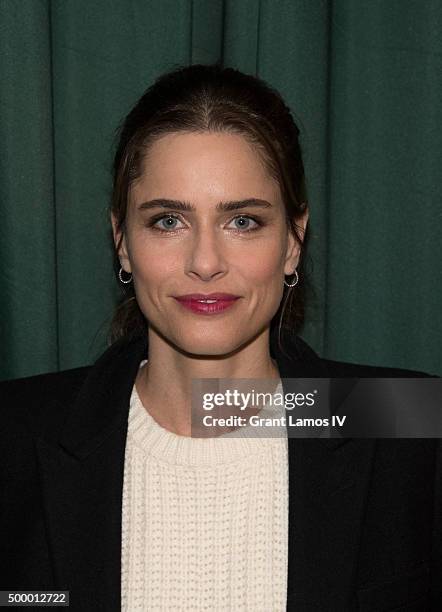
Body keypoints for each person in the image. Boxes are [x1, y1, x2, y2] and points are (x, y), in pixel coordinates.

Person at [0, 64, 440, 612]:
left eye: (243, 222)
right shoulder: (14, 435)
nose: (205, 263)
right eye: (168, 221)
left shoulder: (405, 421)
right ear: (122, 241)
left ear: (293, 241)